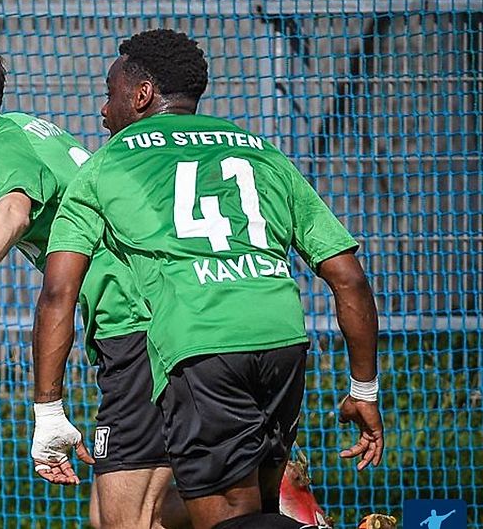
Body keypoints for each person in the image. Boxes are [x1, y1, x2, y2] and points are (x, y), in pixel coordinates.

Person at [35, 28, 385, 529]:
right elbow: (348, 277)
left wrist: (48, 413)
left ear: (141, 95)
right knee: (256, 510)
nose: (102, 111)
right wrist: (364, 388)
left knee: (231, 522)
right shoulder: (261, 151)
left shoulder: (105, 166)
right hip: (283, 343)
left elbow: (57, 294)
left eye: (109, 96)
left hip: (201, 352)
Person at [0, 36, 188, 529]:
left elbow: (14, 205)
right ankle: (262, 500)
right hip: (154, 321)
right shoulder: (29, 132)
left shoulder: (2, 138)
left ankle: (272, 512)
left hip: (139, 329)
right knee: (117, 516)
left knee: (126, 520)